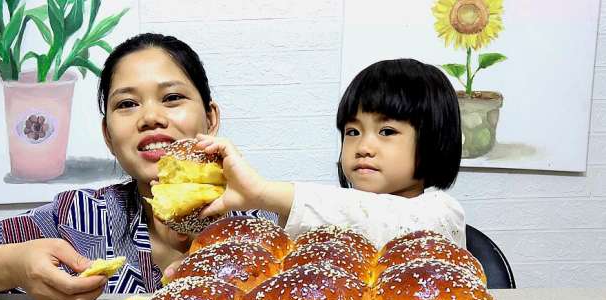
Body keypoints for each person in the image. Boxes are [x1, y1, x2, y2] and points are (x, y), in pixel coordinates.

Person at [0, 33, 272, 300]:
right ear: (108, 136)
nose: (150, 117)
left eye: (172, 98)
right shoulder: (79, 217)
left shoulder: (270, 222)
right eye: (127, 104)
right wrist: (14, 267)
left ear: (211, 118)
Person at [195, 58, 466, 251]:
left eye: (386, 132)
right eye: (352, 132)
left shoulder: (443, 214)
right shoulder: (330, 216)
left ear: (434, 139)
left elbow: (381, 220)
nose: (363, 147)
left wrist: (264, 193)